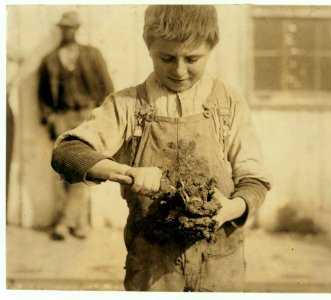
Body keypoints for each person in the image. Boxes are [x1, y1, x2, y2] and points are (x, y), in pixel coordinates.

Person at [51, 5, 271, 291]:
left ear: (211, 47)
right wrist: (125, 172)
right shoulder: (127, 105)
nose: (179, 70)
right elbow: (66, 152)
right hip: (152, 271)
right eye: (166, 58)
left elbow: (255, 180)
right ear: (148, 47)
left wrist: (231, 209)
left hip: (220, 266)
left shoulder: (229, 103)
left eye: (192, 58)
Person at [39, 11, 114, 239]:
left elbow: (107, 88)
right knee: (63, 168)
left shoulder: (92, 55)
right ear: (60, 29)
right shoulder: (50, 60)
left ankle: (65, 222)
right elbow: (42, 96)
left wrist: (103, 118)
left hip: (86, 116)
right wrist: (50, 118)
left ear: (77, 29)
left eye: (71, 28)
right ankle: (79, 224)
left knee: (82, 165)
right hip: (62, 116)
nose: (67, 31)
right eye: (64, 28)